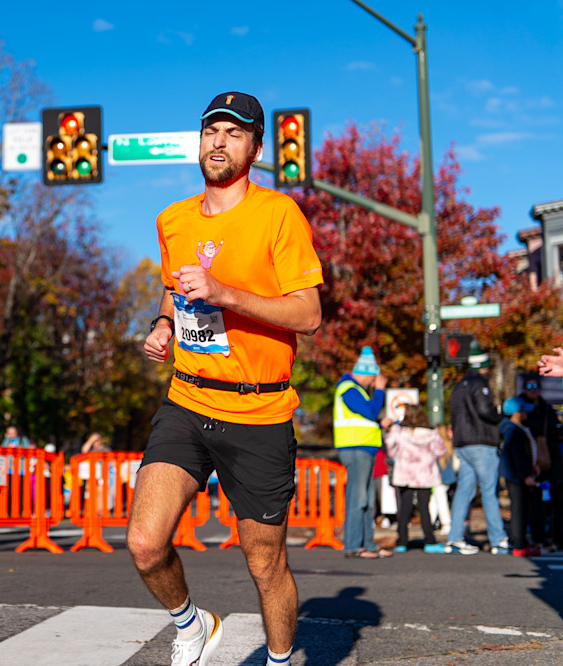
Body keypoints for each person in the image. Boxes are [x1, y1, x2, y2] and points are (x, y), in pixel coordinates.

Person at [132, 91, 323, 666]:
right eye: (211, 129)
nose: (219, 141)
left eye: (235, 133)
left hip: (259, 413)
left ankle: (281, 659)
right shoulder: (173, 218)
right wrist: (164, 324)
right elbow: (175, 287)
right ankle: (190, 623)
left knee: (265, 565)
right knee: (145, 543)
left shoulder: (278, 215)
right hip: (188, 400)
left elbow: (309, 315)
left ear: (256, 148)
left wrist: (226, 294)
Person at [445, 341, 510, 555]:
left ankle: (454, 538)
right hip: (481, 443)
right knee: (490, 491)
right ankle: (498, 539)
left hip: (463, 444)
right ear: (483, 366)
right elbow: (484, 411)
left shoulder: (459, 385)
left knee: (464, 491)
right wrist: (500, 415)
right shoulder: (479, 384)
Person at [333, 346, 394, 559]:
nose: (373, 383)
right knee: (357, 498)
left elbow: (366, 416)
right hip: (355, 448)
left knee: (367, 499)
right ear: (368, 374)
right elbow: (369, 411)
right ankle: (352, 546)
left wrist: (379, 422)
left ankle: (367, 544)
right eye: (373, 379)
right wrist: (380, 390)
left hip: (363, 447)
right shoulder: (348, 388)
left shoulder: (354, 390)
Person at [383, 403, 447, 553]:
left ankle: (402, 541)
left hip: (405, 474)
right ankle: (429, 541)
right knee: (425, 508)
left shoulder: (398, 432)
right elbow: (440, 451)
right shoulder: (432, 434)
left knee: (404, 509)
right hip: (425, 475)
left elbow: (390, 448)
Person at [518, 376, 563, 551]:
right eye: (529, 386)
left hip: (549, 461)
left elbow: (554, 433)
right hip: (529, 460)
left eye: (536, 386)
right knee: (533, 502)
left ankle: (555, 538)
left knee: (555, 501)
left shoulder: (547, 410)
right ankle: (537, 538)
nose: (533, 389)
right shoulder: (520, 410)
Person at [499, 396, 540, 556]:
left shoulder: (515, 428)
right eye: (523, 410)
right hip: (517, 475)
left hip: (518, 474)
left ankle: (521, 542)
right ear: (517, 413)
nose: (526, 413)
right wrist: (525, 475)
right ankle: (519, 544)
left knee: (521, 509)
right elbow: (517, 455)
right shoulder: (512, 430)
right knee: (519, 510)